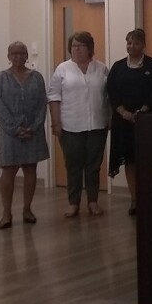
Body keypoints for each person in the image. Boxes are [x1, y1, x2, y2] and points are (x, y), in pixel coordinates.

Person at [47, 31, 110, 218]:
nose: (76, 49)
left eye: (80, 46)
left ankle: (93, 201)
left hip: (97, 125)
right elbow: (53, 97)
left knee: (93, 166)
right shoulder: (62, 69)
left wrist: (110, 118)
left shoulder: (101, 69)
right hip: (70, 126)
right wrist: (56, 122)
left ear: (89, 48)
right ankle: (73, 203)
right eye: (73, 46)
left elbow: (109, 96)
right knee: (73, 165)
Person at [106, 29, 152, 216]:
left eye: (136, 43)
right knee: (129, 160)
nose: (132, 46)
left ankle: (151, 198)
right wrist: (123, 112)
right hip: (123, 121)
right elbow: (112, 92)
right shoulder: (118, 67)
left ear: (143, 45)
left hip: (147, 121)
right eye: (129, 43)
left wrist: (142, 111)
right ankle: (134, 199)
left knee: (148, 159)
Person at [0, 42, 49, 229]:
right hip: (10, 134)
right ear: (9, 55)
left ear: (27, 56)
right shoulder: (0, 79)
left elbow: (42, 104)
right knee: (9, 170)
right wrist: (15, 128)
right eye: (14, 53)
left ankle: (27, 209)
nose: (18, 56)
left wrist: (33, 127)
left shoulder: (36, 78)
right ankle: (6, 213)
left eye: (22, 53)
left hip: (33, 131)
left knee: (30, 169)